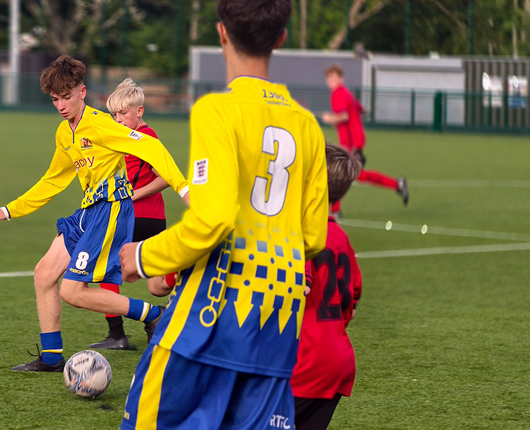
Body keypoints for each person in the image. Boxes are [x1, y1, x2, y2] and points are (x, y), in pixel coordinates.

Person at [118, 0, 329, 428]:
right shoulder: (308, 124)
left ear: (221, 34)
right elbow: (313, 237)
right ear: (281, 38)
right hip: (277, 322)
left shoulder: (218, 110)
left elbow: (212, 219)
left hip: (211, 316)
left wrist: (142, 256)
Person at [0, 56, 190, 372]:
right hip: (87, 211)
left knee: (72, 290)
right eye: (55, 99)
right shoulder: (65, 133)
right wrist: (8, 210)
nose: (61, 105)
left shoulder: (102, 124)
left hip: (111, 210)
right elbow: (52, 180)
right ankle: (52, 357)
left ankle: (155, 316)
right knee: (44, 274)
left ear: (82, 91)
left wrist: (185, 189)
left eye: (67, 96)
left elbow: (152, 149)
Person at [90, 78, 182, 351]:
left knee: (106, 270)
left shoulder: (145, 136)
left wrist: (132, 194)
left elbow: (166, 177)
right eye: (114, 115)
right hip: (151, 217)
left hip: (137, 215)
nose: (118, 120)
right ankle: (184, 272)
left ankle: (117, 335)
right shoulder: (129, 135)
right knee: (156, 286)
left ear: (139, 111)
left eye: (123, 114)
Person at [292, 144, 363, 430]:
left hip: (304, 363)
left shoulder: (301, 231)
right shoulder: (339, 235)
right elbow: (352, 305)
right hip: (338, 360)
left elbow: (299, 287)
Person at [320, 63, 408, 215]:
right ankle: (397, 184)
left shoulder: (338, 94)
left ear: (341, 78)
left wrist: (330, 119)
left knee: (342, 173)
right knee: (351, 174)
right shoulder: (347, 93)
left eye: (334, 77)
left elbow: (344, 116)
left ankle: (335, 210)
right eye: (329, 78)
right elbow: (361, 110)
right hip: (356, 140)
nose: (331, 81)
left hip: (351, 143)